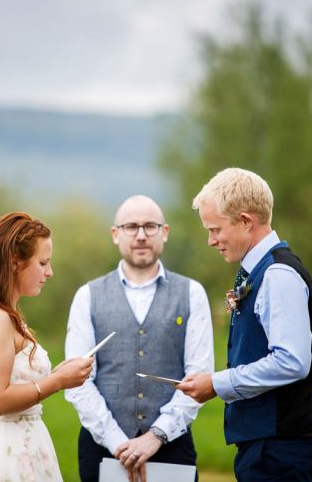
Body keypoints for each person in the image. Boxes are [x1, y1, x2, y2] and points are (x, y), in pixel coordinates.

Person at [178, 168, 312, 482]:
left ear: (246, 222)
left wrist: (218, 383)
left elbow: (292, 362)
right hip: (267, 445)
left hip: (281, 449)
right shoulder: (260, 272)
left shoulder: (278, 276)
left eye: (215, 229)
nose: (211, 241)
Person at [65, 195, 215, 482]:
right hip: (102, 448)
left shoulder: (192, 293)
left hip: (172, 446)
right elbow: (78, 382)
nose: (141, 235)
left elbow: (198, 375)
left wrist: (157, 436)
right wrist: (118, 443)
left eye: (150, 226)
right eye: (131, 227)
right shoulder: (87, 296)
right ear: (115, 234)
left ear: (165, 232)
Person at [0, 212, 94, 482]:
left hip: (26, 449)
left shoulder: (7, 316)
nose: (50, 272)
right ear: (15, 263)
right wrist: (58, 382)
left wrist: (57, 374)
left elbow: (15, 380)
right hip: (4, 458)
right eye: (43, 263)